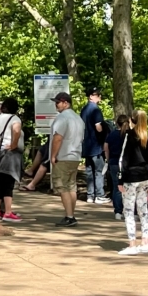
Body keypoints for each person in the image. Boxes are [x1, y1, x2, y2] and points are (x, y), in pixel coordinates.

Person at [117, 110, 148, 255]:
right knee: (143, 209)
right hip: (144, 177)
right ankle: (145, 241)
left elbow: (123, 159)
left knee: (128, 211)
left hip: (131, 178)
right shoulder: (147, 138)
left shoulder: (129, 136)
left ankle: (132, 244)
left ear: (131, 120)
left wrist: (120, 178)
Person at [49, 91, 84, 226]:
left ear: (66, 103)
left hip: (63, 156)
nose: (56, 105)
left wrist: (53, 155)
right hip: (75, 156)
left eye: (58, 102)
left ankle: (69, 217)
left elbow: (58, 138)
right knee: (71, 186)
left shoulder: (62, 118)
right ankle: (71, 214)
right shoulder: (78, 119)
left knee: (63, 186)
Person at [0, 98, 24, 222]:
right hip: (9, 154)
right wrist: (13, 144)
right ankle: (8, 212)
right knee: (8, 184)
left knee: (0, 184)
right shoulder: (15, 119)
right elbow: (16, 130)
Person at [80, 88, 109, 204]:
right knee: (99, 171)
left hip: (86, 145)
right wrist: (104, 138)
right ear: (91, 96)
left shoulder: (84, 110)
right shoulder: (95, 110)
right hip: (96, 145)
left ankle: (90, 195)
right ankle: (100, 195)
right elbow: (98, 127)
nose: (99, 97)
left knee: (89, 171)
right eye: (97, 95)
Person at [105, 115, 129, 219]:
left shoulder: (112, 134)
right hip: (126, 163)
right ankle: (130, 210)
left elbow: (106, 147)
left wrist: (108, 159)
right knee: (128, 187)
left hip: (114, 162)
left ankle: (118, 211)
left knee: (116, 187)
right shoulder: (128, 135)